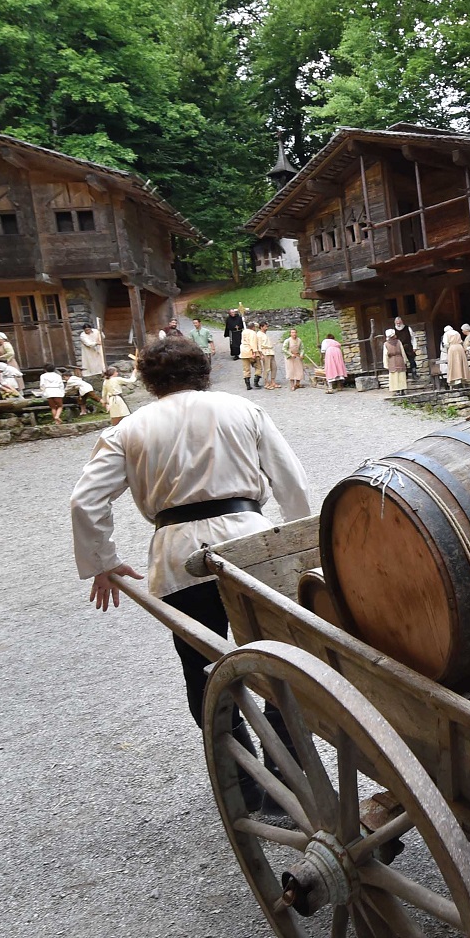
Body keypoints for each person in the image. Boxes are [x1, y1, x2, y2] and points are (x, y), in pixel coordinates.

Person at [71, 336, 313, 809]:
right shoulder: (241, 410)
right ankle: (285, 783)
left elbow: (85, 500)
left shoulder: (130, 429)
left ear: (149, 380)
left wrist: (103, 561)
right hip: (250, 547)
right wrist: (296, 547)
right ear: (203, 370)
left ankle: (242, 786)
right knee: (278, 661)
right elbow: (292, 481)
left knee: (204, 673)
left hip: (178, 559)